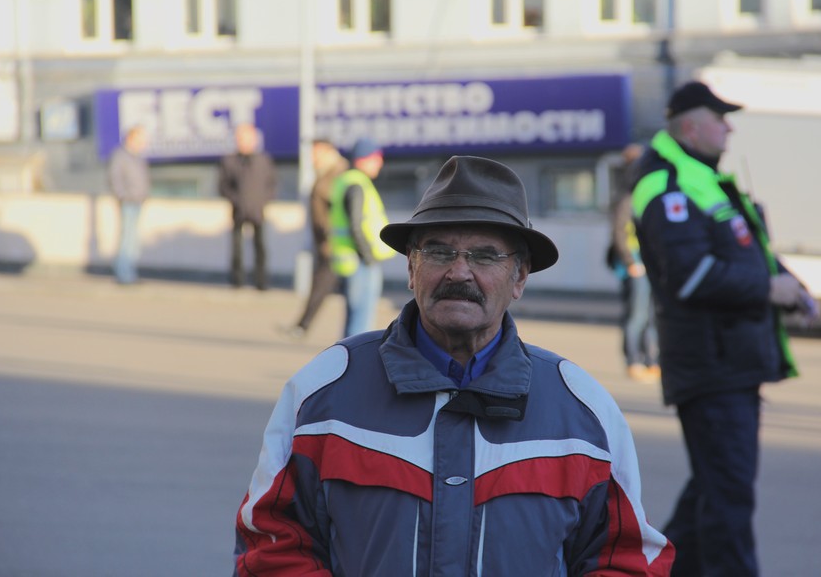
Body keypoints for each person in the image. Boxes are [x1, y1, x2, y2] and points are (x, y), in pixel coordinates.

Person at [233, 155, 675, 576]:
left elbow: (626, 560)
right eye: (440, 252)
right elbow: (270, 546)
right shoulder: (323, 391)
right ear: (412, 267)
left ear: (520, 277)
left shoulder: (582, 411)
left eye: (485, 255)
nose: (459, 273)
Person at [629, 81, 817, 577]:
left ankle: (653, 572)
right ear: (691, 127)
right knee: (727, 500)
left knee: (712, 493)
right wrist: (767, 288)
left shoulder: (702, 178)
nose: (729, 129)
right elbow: (690, 275)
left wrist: (791, 286)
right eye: (720, 119)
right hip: (711, 368)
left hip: (728, 363)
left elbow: (746, 252)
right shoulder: (666, 185)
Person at [280, 139, 349, 338]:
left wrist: (330, 235)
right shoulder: (326, 172)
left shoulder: (340, 174)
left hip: (335, 244)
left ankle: (304, 326)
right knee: (322, 286)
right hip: (325, 242)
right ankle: (303, 326)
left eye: (316, 153)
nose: (312, 158)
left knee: (325, 286)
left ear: (328, 151)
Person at [328, 137, 395, 337]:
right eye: (376, 158)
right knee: (360, 322)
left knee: (354, 318)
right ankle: (355, 357)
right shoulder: (356, 184)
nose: (380, 163)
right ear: (363, 159)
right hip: (361, 262)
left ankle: (345, 354)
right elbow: (355, 226)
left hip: (352, 260)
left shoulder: (347, 181)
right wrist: (368, 256)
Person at [607, 143, 660, 383]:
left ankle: (651, 361)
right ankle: (634, 361)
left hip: (650, 262)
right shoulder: (627, 198)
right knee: (637, 315)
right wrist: (631, 262)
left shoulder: (644, 195)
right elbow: (619, 233)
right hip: (636, 263)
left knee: (650, 315)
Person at [218, 122, 277, 290]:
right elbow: (223, 186)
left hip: (258, 210)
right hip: (238, 210)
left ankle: (261, 281)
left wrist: (262, 201)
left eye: (247, 138)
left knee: (260, 247)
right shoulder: (229, 161)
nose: (244, 142)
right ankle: (237, 280)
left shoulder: (264, 160)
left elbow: (271, 184)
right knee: (237, 248)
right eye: (241, 138)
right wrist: (237, 200)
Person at [107, 125, 150, 285]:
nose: (144, 142)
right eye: (140, 138)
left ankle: (130, 272)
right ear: (131, 138)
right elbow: (115, 178)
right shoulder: (121, 156)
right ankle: (123, 274)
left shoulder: (137, 157)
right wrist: (123, 196)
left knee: (133, 240)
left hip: (138, 201)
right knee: (127, 238)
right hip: (128, 202)